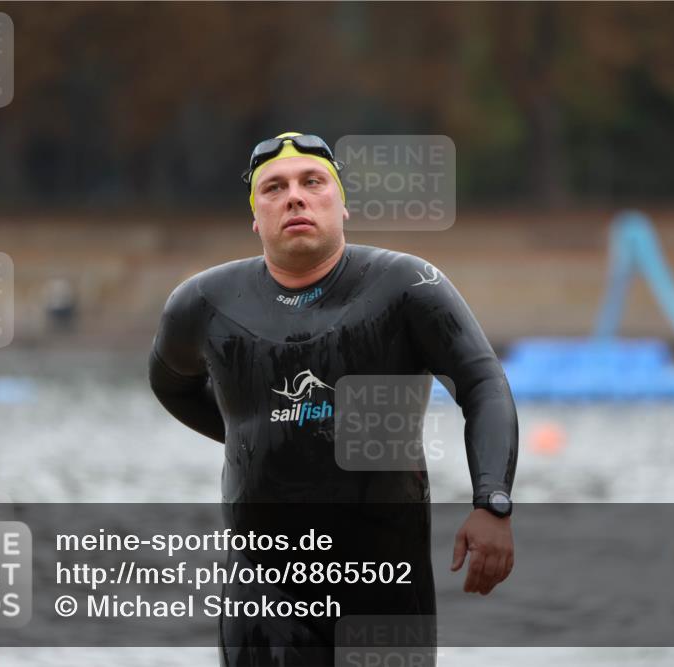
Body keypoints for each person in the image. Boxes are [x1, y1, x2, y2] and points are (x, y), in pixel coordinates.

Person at [148, 132, 519, 665]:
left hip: (385, 583)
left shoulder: (406, 286)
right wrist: (258, 436)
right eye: (274, 188)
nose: (295, 197)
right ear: (256, 216)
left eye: (312, 182)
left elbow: (483, 384)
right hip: (264, 594)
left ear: (342, 204)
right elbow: (170, 384)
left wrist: (492, 503)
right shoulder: (203, 303)